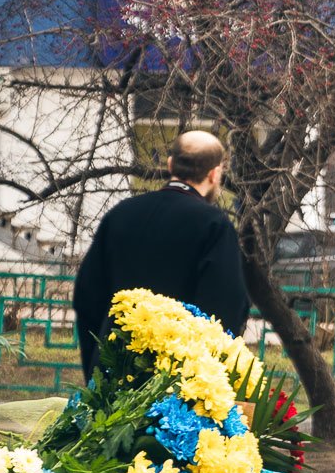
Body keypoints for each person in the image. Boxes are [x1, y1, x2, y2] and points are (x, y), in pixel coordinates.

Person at [73, 131, 250, 379]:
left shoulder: (121, 214)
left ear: (170, 165)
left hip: (114, 375)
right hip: (176, 386)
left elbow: (87, 298)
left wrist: (97, 370)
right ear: (214, 174)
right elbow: (224, 312)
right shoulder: (214, 226)